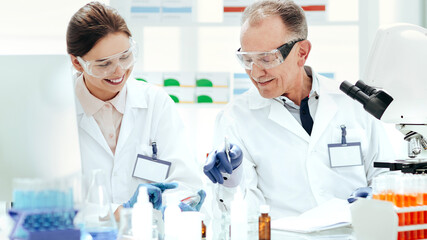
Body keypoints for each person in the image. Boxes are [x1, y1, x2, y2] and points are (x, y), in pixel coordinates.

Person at [203, 0, 395, 219]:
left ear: (302, 52)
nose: (255, 72)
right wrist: (229, 185)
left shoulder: (353, 103)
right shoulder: (235, 118)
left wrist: (380, 197)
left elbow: (386, 176)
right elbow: (242, 216)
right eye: (247, 60)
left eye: (266, 58)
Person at [66, 2, 204, 221]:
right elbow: (52, 200)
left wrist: (175, 204)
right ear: (77, 63)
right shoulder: (59, 112)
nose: (119, 71)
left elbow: (185, 180)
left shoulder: (156, 104)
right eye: (104, 64)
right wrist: (118, 213)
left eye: (125, 56)